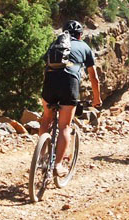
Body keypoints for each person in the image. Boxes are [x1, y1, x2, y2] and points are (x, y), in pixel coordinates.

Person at [39, 20, 102, 176]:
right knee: (64, 126)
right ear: (80, 35)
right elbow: (94, 77)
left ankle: (40, 157)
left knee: (46, 118)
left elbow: (45, 67)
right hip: (69, 83)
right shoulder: (85, 47)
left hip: (50, 80)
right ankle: (58, 165)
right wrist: (97, 99)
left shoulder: (55, 45)